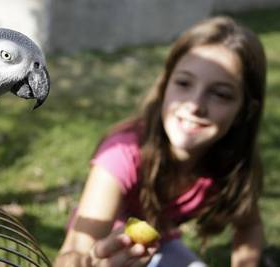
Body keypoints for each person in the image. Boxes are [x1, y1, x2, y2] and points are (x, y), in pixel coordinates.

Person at [54, 15, 266, 267]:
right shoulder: (122, 153)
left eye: (220, 94)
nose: (194, 105)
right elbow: (74, 251)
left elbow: (249, 225)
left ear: (245, 110)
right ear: (166, 84)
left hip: (162, 243)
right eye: (184, 83)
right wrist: (88, 261)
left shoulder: (231, 164)